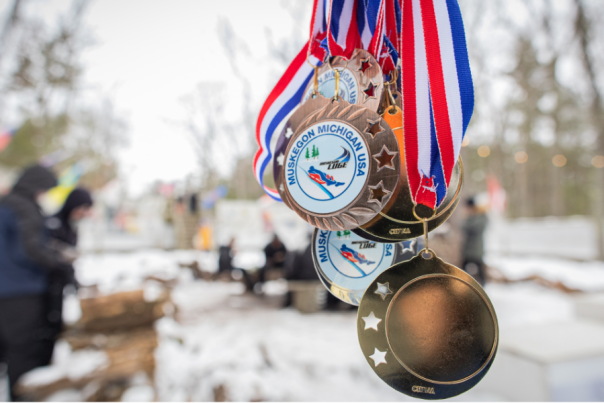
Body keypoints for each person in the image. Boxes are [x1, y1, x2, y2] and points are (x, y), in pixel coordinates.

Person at [0, 165, 71, 399]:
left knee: (8, 351)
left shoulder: (6, 204)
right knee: (24, 354)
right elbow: (29, 249)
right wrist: (58, 261)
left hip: (6, 288)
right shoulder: (24, 207)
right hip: (21, 291)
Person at [43, 188, 93, 365]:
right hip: (45, 285)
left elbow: (69, 264)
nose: (85, 214)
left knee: (55, 327)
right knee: (44, 329)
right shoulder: (52, 223)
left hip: (59, 285)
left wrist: (75, 284)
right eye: (83, 208)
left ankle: (47, 366)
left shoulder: (72, 226)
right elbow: (43, 251)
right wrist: (60, 254)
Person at [461, 197, 488, 286]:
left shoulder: (480, 217)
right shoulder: (472, 217)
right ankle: (463, 284)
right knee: (463, 270)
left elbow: (470, 228)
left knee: (480, 270)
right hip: (469, 250)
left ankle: (484, 286)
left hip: (476, 250)